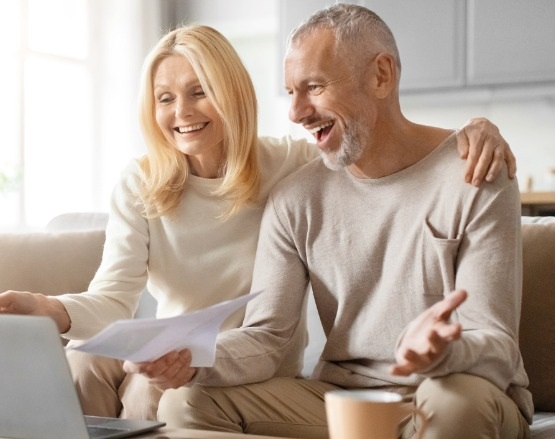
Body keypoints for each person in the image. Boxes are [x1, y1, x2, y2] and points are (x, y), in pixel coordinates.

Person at [0, 24, 518, 422]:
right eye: (165, 98)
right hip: (229, 364)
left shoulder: (295, 166)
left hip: (424, 378)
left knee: (149, 397)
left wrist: (477, 129)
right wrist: (55, 311)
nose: (299, 112)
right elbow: (121, 301)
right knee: (107, 373)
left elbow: (391, 152)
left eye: (315, 87)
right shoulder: (290, 189)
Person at [153, 5, 531, 438]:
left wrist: (444, 352)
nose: (296, 112)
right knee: (185, 402)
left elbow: (496, 342)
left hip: (455, 389)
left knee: (450, 404)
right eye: (291, 92)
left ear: (381, 76)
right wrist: (191, 356)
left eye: (313, 87)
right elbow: (266, 338)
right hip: (345, 400)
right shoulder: (296, 198)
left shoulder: (475, 172)